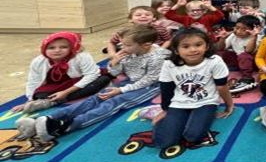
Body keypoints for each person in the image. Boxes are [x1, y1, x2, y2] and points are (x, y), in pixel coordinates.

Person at [15, 25, 170, 142]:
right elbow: (114, 73)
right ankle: (46, 119)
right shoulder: (128, 52)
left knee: (114, 102)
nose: (122, 48)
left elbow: (150, 79)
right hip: (130, 81)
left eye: (127, 45)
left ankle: (68, 125)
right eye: (122, 44)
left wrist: (121, 90)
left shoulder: (158, 57)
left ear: (146, 45)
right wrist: (115, 63)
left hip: (150, 85)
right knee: (97, 97)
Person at [153, 28, 234, 148]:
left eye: (198, 45)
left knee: (193, 136)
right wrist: (166, 110)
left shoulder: (214, 61)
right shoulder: (169, 64)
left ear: (206, 46)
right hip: (179, 103)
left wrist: (229, 104)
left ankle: (189, 119)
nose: (193, 50)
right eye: (185, 47)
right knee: (164, 142)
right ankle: (173, 121)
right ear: (176, 50)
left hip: (206, 102)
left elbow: (222, 86)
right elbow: (166, 88)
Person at [12, 32, 111, 114]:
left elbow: (92, 75)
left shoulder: (82, 56)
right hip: (56, 86)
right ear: (44, 49)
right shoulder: (38, 61)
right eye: (51, 48)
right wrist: (30, 100)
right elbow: (33, 81)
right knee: (39, 94)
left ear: (72, 47)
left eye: (63, 47)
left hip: (77, 83)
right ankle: (46, 100)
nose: (57, 50)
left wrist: (65, 93)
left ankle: (51, 102)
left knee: (103, 80)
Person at [219, 15, 263, 94]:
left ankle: (247, 78)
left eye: (244, 29)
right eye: (237, 28)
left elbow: (249, 51)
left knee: (244, 55)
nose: (238, 31)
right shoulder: (233, 36)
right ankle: (236, 67)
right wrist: (222, 38)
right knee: (226, 54)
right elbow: (222, 48)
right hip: (240, 60)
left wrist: (254, 36)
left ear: (254, 30)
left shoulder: (257, 37)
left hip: (254, 62)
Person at [104, 6, 171, 57]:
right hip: (131, 53)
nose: (143, 16)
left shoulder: (160, 29)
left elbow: (168, 40)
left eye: (147, 15)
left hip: (153, 53)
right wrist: (112, 54)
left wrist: (160, 49)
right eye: (138, 15)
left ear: (154, 18)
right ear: (130, 19)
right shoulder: (124, 31)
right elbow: (111, 42)